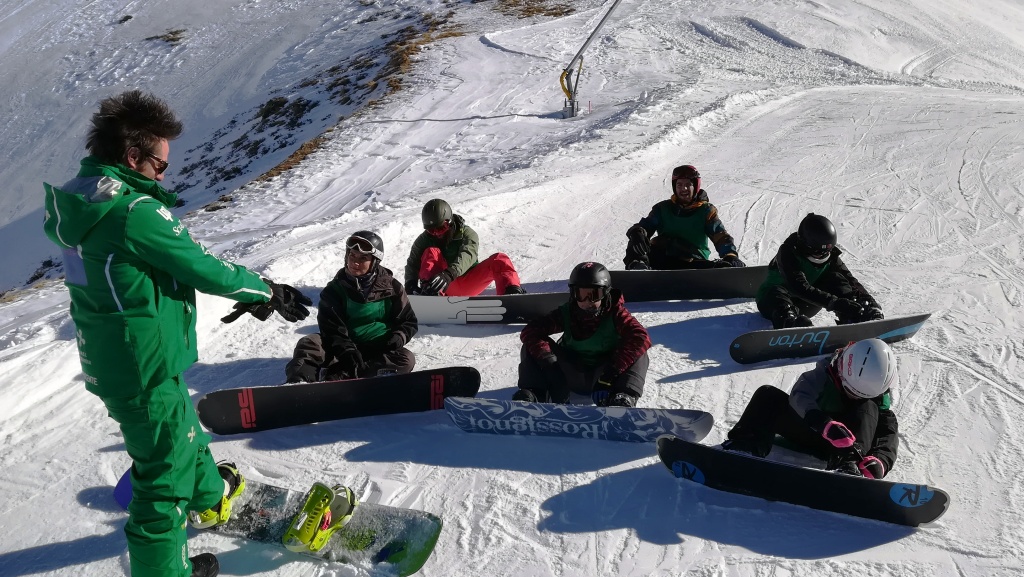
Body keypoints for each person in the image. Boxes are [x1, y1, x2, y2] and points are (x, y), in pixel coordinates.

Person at [41, 90, 312, 577]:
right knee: (162, 480)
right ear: (132, 157)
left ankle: (209, 496)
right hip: (142, 362)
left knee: (180, 427)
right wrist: (265, 290)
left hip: (121, 355)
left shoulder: (82, 199)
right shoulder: (133, 211)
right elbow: (201, 266)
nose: (164, 175)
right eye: (160, 165)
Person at [722, 338, 899, 478]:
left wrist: (880, 461)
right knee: (767, 394)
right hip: (813, 430)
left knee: (867, 408)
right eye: (850, 390)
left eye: (860, 394)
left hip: (843, 450)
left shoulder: (876, 399)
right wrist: (824, 424)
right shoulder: (826, 371)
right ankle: (747, 443)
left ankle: (849, 465)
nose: (855, 397)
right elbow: (800, 395)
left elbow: (888, 434)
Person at [285, 231, 418, 382]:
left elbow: (408, 320)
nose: (355, 262)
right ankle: (299, 383)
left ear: (374, 262)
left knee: (406, 359)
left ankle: (339, 375)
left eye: (363, 258)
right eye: (352, 255)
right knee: (309, 343)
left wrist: (398, 337)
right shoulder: (334, 290)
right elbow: (331, 329)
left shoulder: (392, 287)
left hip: (377, 348)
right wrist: (346, 350)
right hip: (342, 349)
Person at [514, 262, 651, 407]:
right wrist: (550, 365)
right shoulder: (567, 313)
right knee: (531, 345)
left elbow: (641, 337)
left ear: (605, 294)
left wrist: (610, 374)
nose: (587, 302)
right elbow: (531, 331)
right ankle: (535, 393)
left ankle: (623, 397)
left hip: (605, 375)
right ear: (573, 294)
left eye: (594, 295)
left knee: (639, 350)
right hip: (570, 373)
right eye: (581, 295)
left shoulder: (616, 314)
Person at [756, 213, 884, 329]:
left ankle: (855, 317)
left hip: (808, 304)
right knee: (776, 291)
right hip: (772, 303)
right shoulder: (788, 252)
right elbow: (798, 287)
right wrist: (834, 303)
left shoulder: (830, 255)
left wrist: (868, 300)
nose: (822, 255)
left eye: (826, 252)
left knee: (836, 279)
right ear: (805, 245)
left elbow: (850, 279)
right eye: (818, 252)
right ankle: (789, 322)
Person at [623, 164, 745, 270]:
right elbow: (646, 226)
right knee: (637, 237)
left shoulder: (706, 211)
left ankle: (723, 274)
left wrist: (730, 255)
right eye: (679, 185)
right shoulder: (662, 208)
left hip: (692, 262)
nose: (683, 189)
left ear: (695, 187)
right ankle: (638, 268)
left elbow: (720, 236)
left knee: (721, 266)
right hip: (662, 258)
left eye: (688, 184)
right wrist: (638, 233)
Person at [405, 198, 526, 296]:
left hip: (467, 281)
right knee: (431, 252)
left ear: (449, 222)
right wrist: (410, 283)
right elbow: (412, 263)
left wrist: (449, 274)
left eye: (441, 228)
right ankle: (429, 293)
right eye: (431, 230)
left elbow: (468, 255)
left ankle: (511, 293)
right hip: (442, 286)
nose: (437, 233)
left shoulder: (467, 234)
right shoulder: (423, 240)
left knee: (499, 259)